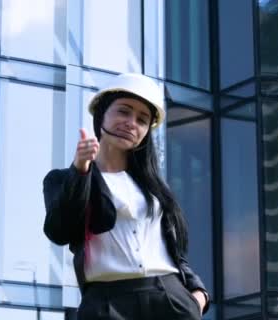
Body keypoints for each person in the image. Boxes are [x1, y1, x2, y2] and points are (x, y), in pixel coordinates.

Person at [43, 73, 209, 319]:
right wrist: (80, 170)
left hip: (169, 298)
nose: (132, 123)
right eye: (123, 111)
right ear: (102, 114)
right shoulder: (62, 179)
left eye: (142, 119)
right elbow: (60, 230)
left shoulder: (154, 187)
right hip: (107, 304)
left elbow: (171, 249)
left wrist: (198, 295)